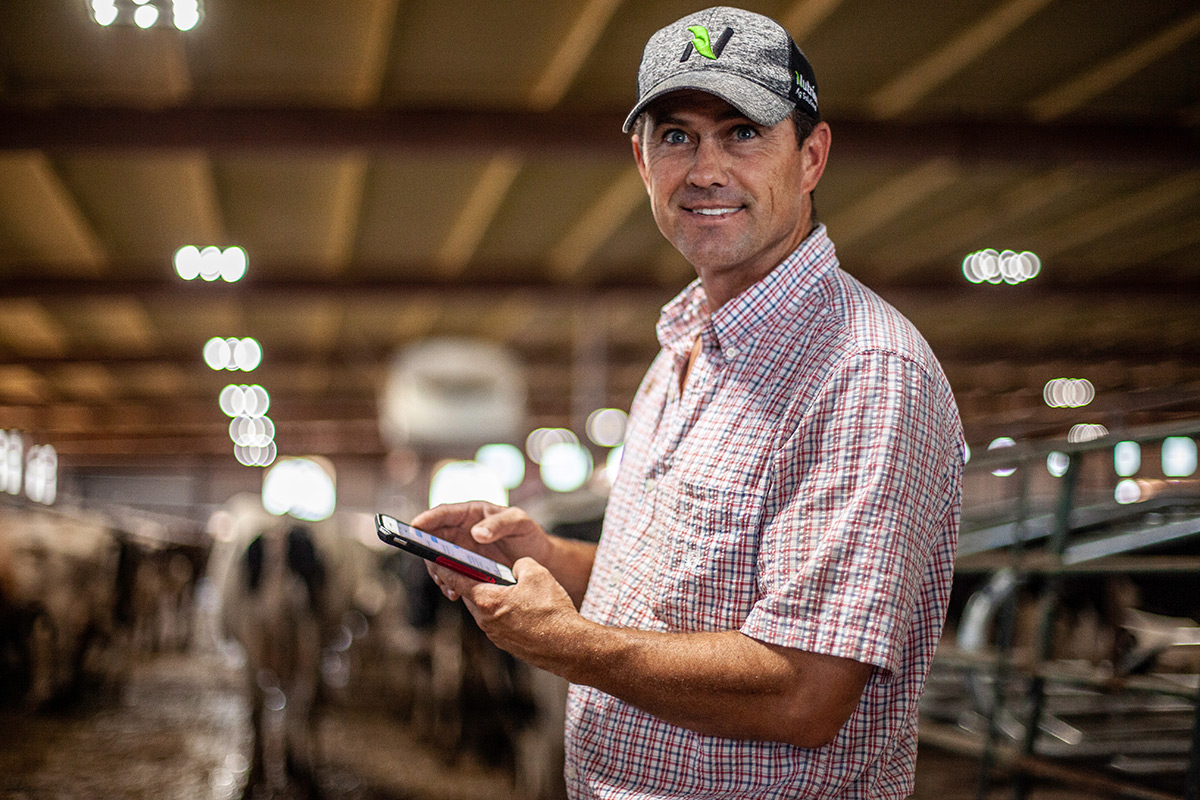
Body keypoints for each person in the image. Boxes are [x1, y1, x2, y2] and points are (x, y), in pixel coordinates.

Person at [412, 6, 964, 798]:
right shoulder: (681, 352)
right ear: (641, 163)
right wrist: (548, 560)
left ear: (811, 157)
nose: (706, 169)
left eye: (742, 132)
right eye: (676, 137)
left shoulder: (865, 372)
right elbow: (684, 588)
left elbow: (803, 690)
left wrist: (567, 646)